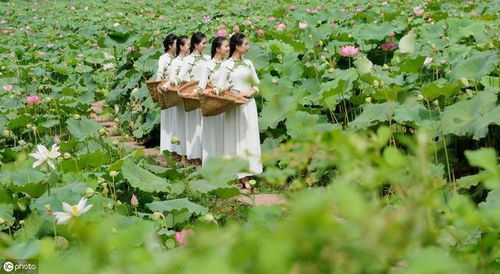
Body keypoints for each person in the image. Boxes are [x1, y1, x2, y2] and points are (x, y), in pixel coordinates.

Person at [215, 32, 262, 189]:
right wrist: (225, 92)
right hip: (234, 106)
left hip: (248, 105)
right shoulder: (226, 65)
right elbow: (220, 87)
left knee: (249, 139)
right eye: (246, 44)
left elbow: (256, 85)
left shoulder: (249, 63)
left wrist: (248, 93)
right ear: (237, 46)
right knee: (235, 139)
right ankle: (238, 175)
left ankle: (247, 173)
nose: (248, 47)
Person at [172, 32, 210, 166]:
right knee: (194, 127)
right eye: (203, 43)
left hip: (205, 95)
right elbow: (180, 76)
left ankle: (205, 156)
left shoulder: (207, 58)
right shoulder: (188, 60)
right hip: (193, 96)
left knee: (204, 127)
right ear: (195, 44)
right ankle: (194, 157)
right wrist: (170, 83)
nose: (205, 45)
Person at [197, 36, 229, 164]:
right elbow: (201, 86)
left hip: (226, 102)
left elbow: (230, 83)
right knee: (211, 134)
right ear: (217, 49)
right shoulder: (207, 65)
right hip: (211, 103)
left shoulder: (228, 64)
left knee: (224, 134)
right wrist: (196, 92)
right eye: (225, 46)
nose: (228, 49)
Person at [164, 35, 190, 160]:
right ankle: (178, 151)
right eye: (188, 45)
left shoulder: (190, 59)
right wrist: (168, 84)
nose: (189, 47)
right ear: (181, 46)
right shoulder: (176, 62)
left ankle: (188, 151)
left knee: (189, 124)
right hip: (179, 95)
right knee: (180, 123)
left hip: (190, 94)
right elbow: (173, 77)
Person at [156, 34, 178, 157]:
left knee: (175, 120)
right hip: (166, 90)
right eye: (176, 44)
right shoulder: (163, 58)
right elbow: (160, 72)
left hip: (176, 90)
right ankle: (167, 148)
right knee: (168, 120)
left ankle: (175, 148)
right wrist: (160, 81)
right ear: (170, 45)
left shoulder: (178, 59)